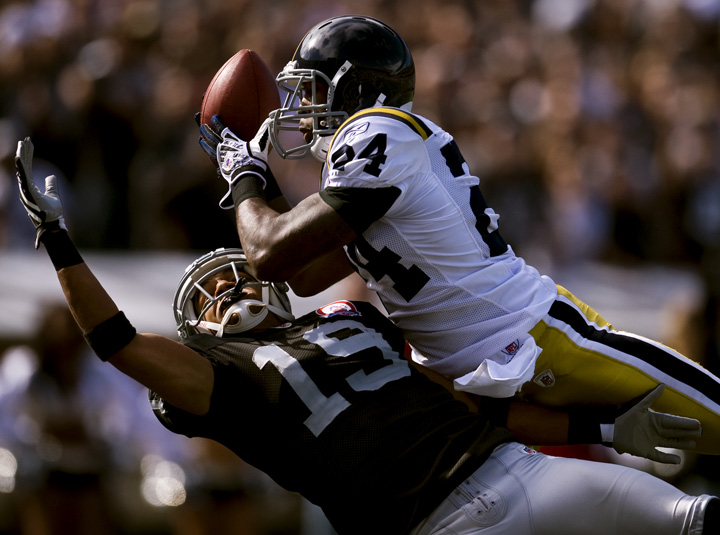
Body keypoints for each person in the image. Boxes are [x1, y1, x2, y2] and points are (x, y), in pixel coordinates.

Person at [12, 137, 720, 534]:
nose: (228, 293)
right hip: (431, 526)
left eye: (232, 278)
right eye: (210, 296)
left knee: (694, 518)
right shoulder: (221, 379)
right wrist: (58, 239)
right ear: (196, 330)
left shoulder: (354, 319)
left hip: (517, 467)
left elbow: (479, 404)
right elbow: (117, 342)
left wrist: (605, 423)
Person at [196, 14, 720, 459]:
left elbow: (267, 253)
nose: (299, 109)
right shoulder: (369, 156)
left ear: (354, 87)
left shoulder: (379, 131)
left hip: (537, 339)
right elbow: (302, 272)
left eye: (310, 89)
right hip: (478, 377)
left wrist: (246, 174)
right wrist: (253, 179)